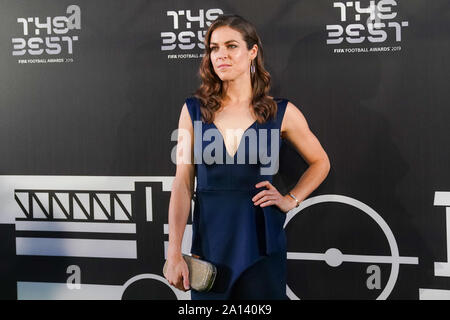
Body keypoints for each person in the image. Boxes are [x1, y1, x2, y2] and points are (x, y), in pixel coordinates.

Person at [165, 14, 330, 300]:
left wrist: (290, 199)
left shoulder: (281, 112)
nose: (221, 55)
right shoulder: (192, 110)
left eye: (231, 46)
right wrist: (174, 251)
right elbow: (182, 183)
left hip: (262, 243)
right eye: (214, 48)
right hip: (210, 247)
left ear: (252, 51)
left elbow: (321, 162)